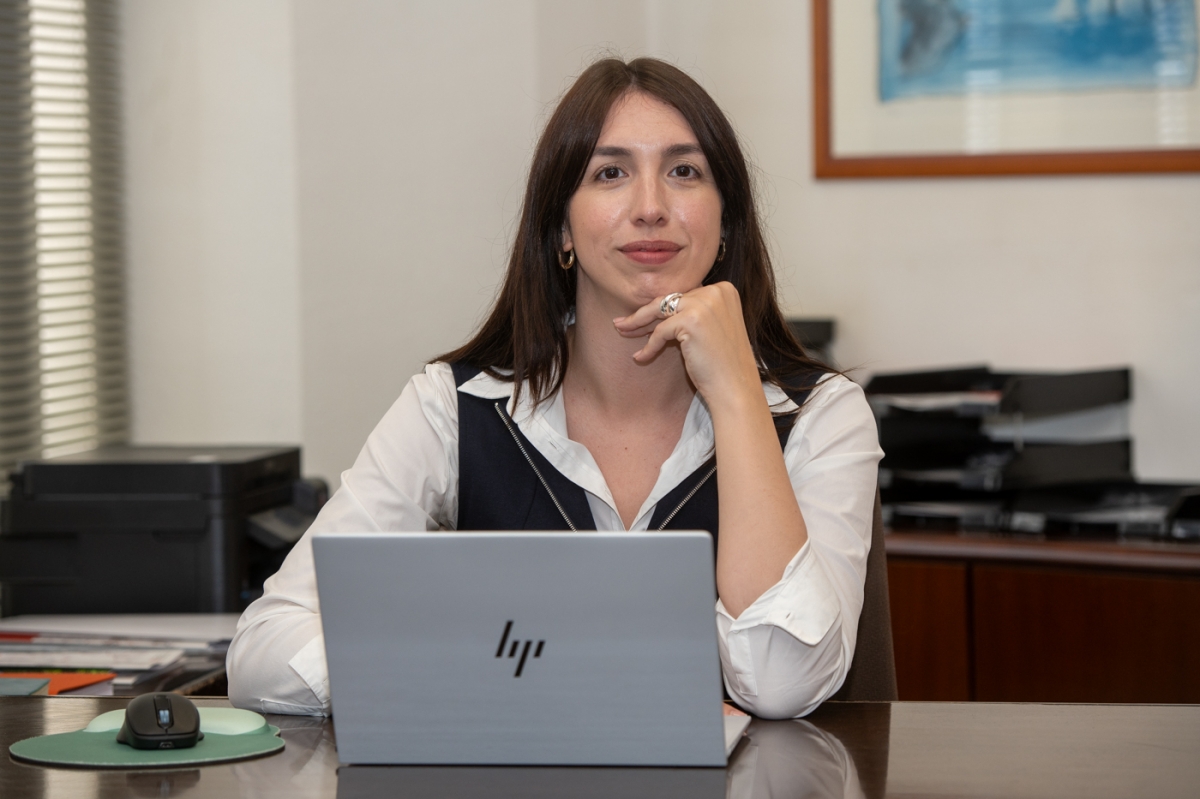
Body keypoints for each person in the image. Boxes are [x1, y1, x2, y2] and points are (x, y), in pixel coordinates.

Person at [226, 57, 882, 720]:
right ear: (563, 228)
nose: (651, 207)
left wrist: (740, 392)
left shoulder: (821, 416)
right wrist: (469, 675)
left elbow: (781, 682)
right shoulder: (452, 409)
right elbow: (263, 651)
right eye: (610, 173)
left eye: (685, 171)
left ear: (725, 223)